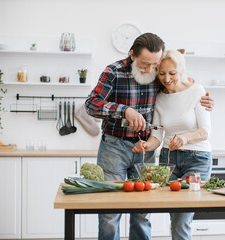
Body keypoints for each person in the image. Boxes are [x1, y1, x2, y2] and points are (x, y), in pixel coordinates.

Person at [85, 33, 214, 240]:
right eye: (145, 64)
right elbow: (91, 104)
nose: (150, 70)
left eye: (155, 65)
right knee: (110, 212)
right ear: (132, 55)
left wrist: (205, 99)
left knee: (142, 213)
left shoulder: (160, 74)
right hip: (114, 147)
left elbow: (180, 86)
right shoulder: (114, 72)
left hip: (146, 150)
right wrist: (124, 110)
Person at [132, 49, 212, 240]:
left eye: (172, 73)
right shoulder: (159, 98)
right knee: (175, 217)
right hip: (169, 161)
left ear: (181, 71)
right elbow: (158, 135)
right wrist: (145, 145)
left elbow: (205, 131)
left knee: (181, 220)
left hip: (197, 160)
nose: (166, 78)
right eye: (161, 73)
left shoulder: (197, 91)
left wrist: (185, 138)